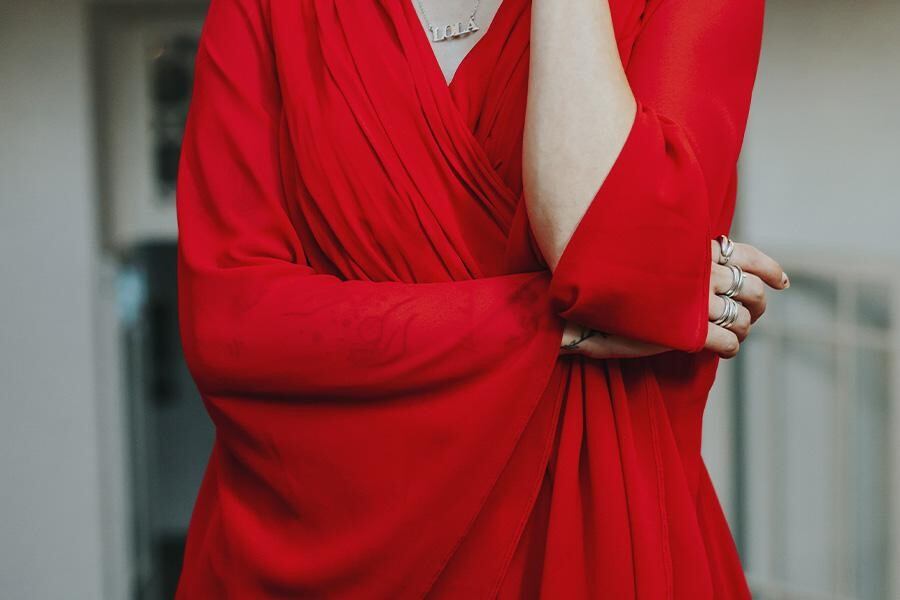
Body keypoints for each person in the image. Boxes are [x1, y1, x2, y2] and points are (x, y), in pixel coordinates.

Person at [174, 0, 786, 597]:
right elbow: (233, 327)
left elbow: (599, 248)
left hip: (590, 539)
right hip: (326, 537)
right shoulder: (267, 10)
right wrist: (544, 324)